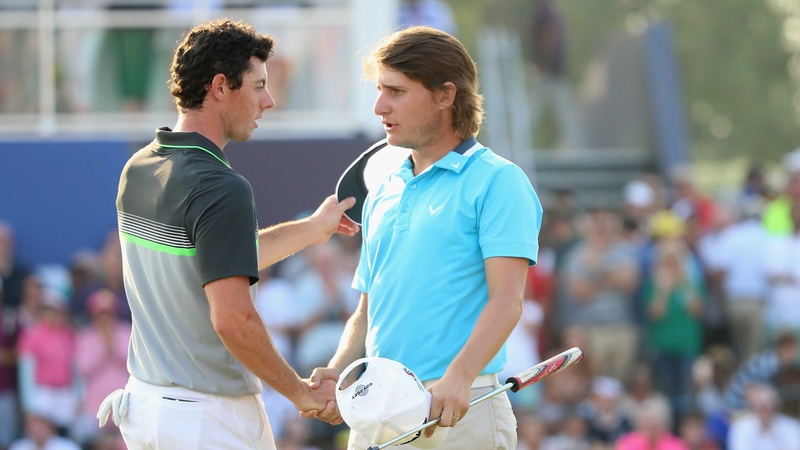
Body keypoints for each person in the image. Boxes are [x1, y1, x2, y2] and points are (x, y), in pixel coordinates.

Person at [104, 18, 358, 450]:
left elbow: (217, 260)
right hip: (207, 421)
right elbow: (233, 320)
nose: (269, 100)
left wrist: (312, 230)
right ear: (221, 87)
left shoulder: (139, 167)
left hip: (145, 410)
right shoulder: (221, 186)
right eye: (258, 86)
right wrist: (299, 391)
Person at [308, 26, 542, 450]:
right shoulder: (383, 189)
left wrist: (461, 375)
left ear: (445, 95)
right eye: (380, 90)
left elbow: (507, 300)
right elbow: (367, 308)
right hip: (376, 410)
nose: (380, 106)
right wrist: (340, 368)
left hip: (457, 407)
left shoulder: (500, 181)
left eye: (396, 91)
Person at [727, 383, 800, 450]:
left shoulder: (792, 426)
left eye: (769, 405)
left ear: (776, 406)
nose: (766, 411)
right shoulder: (741, 428)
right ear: (753, 407)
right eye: (761, 407)